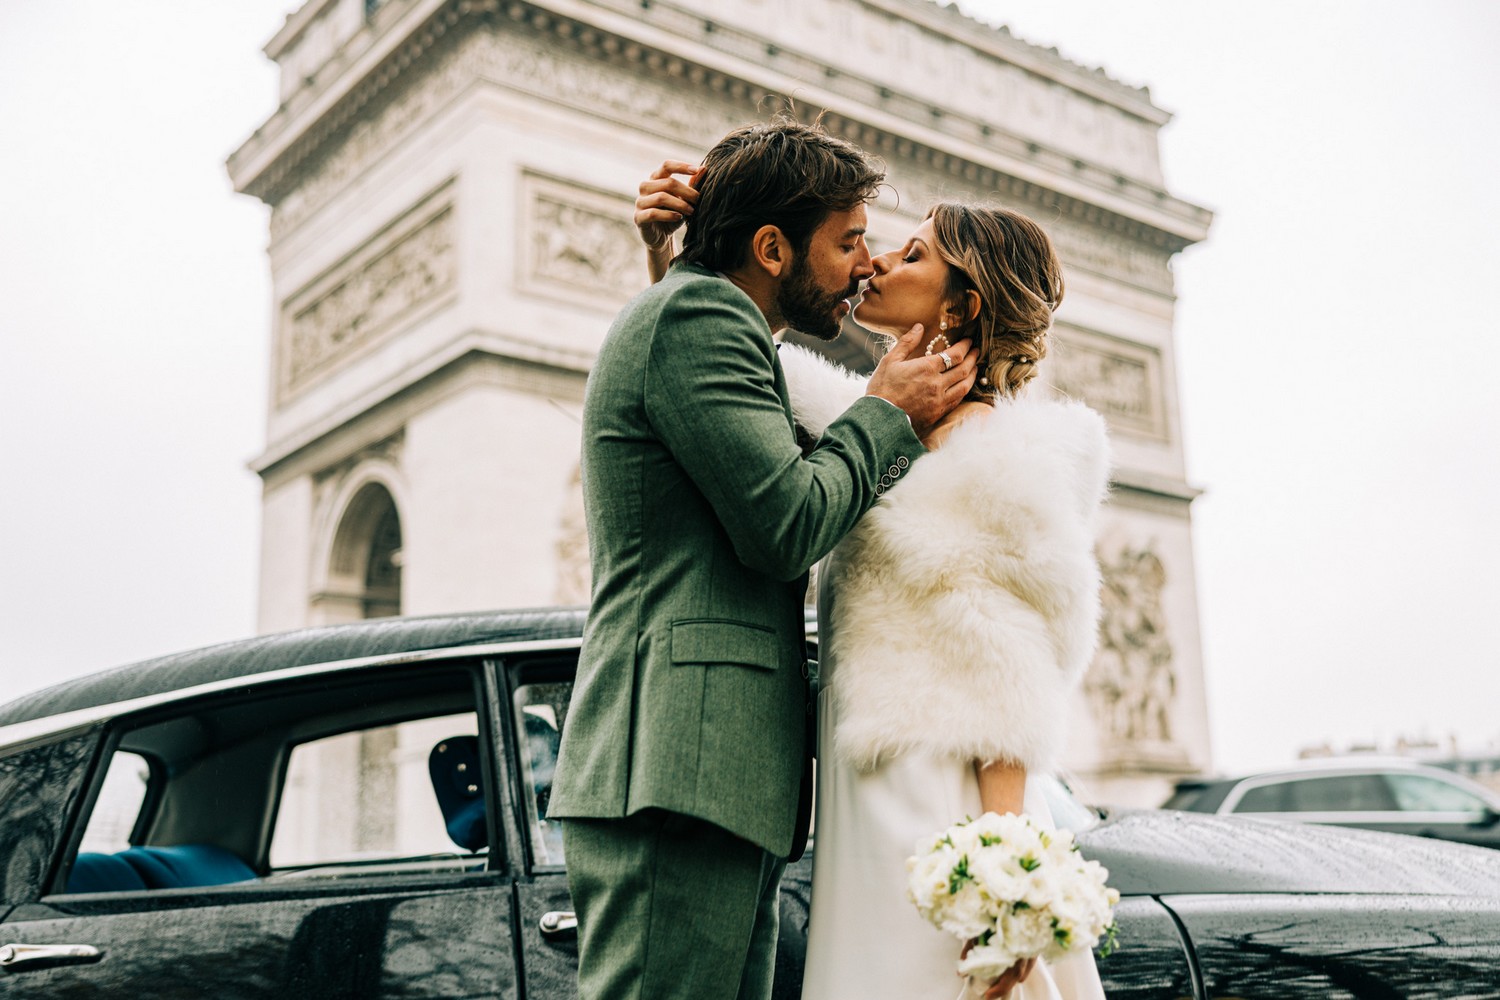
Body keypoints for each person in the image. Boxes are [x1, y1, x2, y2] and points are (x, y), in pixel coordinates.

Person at [635, 172, 1110, 999]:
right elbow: (720, 371)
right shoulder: (872, 419)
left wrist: (1004, 885)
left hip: (935, 805)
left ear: (959, 308)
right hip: (861, 793)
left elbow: (1012, 674)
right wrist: (683, 259)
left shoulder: (1004, 456)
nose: (877, 262)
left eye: (914, 252)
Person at [547, 117, 979, 1000]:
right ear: (774, 247)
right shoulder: (699, 315)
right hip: (676, 772)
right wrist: (885, 409)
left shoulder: (699, 312)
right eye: (850, 240)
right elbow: (784, 521)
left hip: (709, 772)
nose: (867, 264)